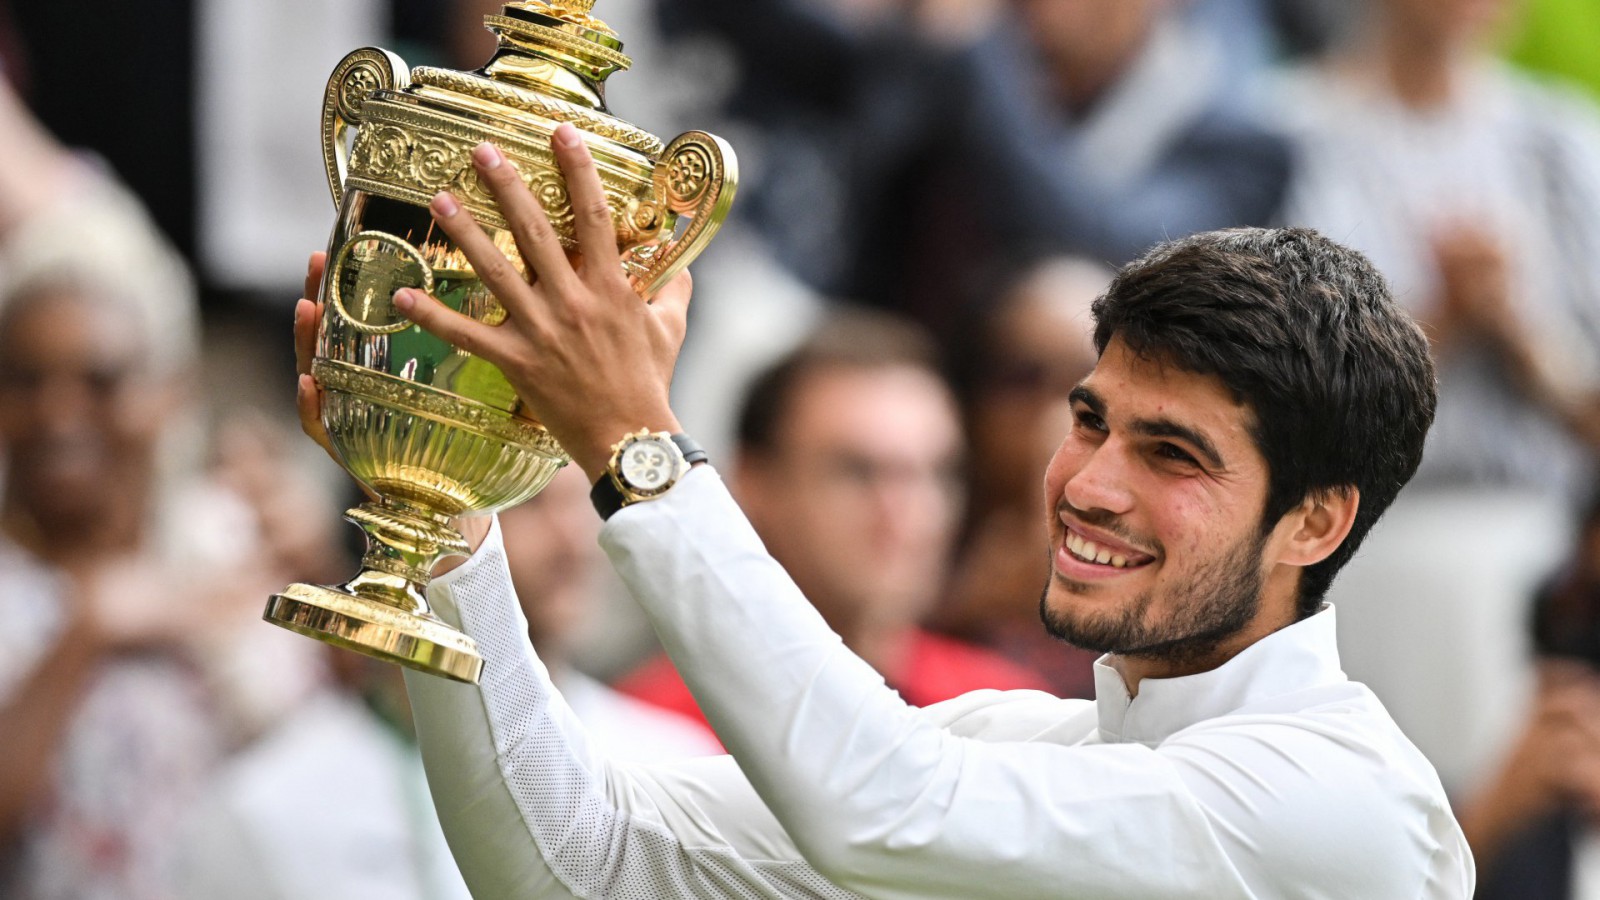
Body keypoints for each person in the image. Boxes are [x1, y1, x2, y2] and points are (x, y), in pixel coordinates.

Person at [294, 128, 1473, 896]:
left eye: (1173, 454)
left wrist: (632, 444)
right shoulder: (1022, 746)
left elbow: (875, 803)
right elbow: (581, 862)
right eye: (1091, 419)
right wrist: (441, 495)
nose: (1090, 482)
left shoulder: (1333, 804)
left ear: (1316, 522)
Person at [1273, 0, 1600, 792]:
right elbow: (1274, 386)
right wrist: (1437, 318)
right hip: (1350, 543)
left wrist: (1516, 327)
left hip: (1535, 539)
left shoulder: (1560, 140)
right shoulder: (1288, 128)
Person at [617, 311, 1048, 726]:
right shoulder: (655, 730)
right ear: (753, 482)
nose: (906, 511)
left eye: (936, 473)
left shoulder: (1009, 713)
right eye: (858, 472)